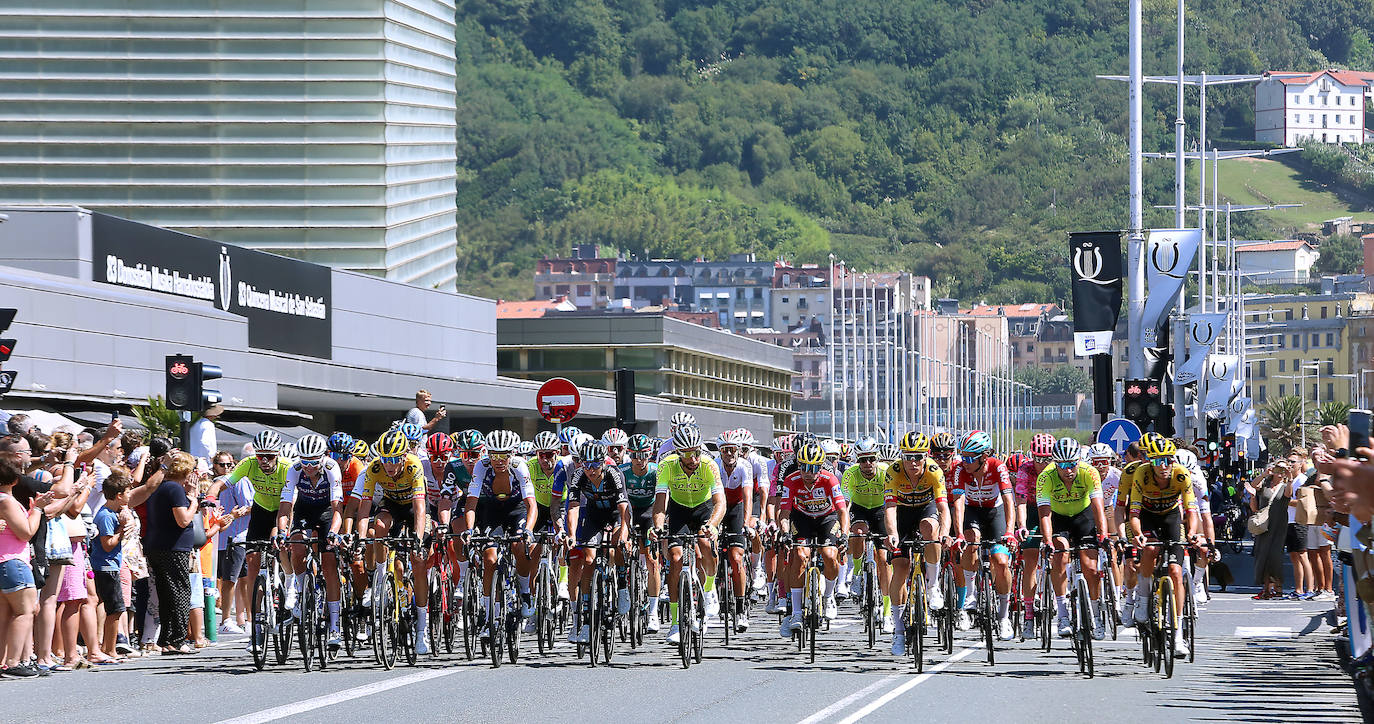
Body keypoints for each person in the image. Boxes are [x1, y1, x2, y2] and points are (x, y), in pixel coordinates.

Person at [651, 424, 724, 645]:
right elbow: (660, 504)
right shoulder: (666, 466)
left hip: (704, 509)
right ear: (678, 452)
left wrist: (712, 525)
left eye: (697, 452)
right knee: (675, 559)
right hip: (679, 510)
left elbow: (720, 502)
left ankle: (709, 590)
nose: (693, 458)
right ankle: (675, 623)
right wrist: (658, 527)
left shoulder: (709, 465)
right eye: (687, 453)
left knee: (705, 548)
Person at [775, 441, 849, 638]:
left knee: (829, 554)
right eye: (805, 467)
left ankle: (828, 596)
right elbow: (784, 513)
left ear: (820, 467)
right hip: (802, 519)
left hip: (827, 518)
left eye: (814, 468)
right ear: (799, 466)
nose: (809, 472)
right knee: (799, 554)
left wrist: (845, 535)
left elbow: (842, 511)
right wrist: (785, 533)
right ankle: (796, 613)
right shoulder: (792, 480)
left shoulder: (829, 479)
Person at [143, 451, 201, 655]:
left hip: (156, 545)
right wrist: (193, 500)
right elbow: (183, 520)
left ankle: (167, 639)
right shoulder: (175, 489)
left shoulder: (160, 487)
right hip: (173, 547)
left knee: (166, 593)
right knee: (180, 592)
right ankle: (177, 639)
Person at [91, 470, 133, 660]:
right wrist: (122, 530)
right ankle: (109, 649)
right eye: (128, 491)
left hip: (110, 565)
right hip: (106, 567)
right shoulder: (107, 516)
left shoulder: (112, 513)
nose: (130, 495)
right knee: (115, 609)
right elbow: (108, 544)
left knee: (114, 608)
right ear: (119, 495)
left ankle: (108, 647)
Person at [1249, 459, 1294, 600]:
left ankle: (1278, 586)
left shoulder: (1285, 485)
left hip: (1278, 525)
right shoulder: (1266, 484)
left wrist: (1290, 477)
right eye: (1278, 468)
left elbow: (1288, 494)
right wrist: (1264, 474)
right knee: (1262, 554)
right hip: (1264, 523)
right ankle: (1266, 588)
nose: (1280, 472)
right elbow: (1253, 486)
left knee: (1275, 555)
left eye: (1283, 469)